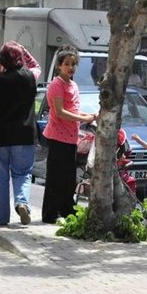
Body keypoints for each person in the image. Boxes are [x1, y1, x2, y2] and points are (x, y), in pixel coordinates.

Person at [41, 45, 97, 224]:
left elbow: (73, 110)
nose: (71, 67)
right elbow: (59, 112)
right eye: (67, 64)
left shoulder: (73, 85)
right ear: (59, 66)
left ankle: (66, 209)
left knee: (68, 177)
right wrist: (83, 118)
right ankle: (50, 213)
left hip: (71, 137)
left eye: (73, 64)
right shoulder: (56, 85)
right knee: (55, 177)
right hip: (57, 137)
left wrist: (87, 116)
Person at [0, 41, 38, 226]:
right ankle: (22, 202)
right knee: (23, 173)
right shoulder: (30, 77)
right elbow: (36, 66)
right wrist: (23, 50)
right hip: (24, 134)